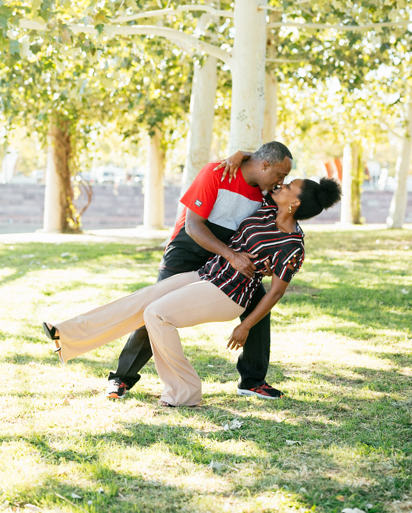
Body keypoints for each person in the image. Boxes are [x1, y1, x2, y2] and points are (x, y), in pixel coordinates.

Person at [42, 177, 341, 407]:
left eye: (289, 186)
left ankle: (185, 391)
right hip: (205, 275)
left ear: (295, 205)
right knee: (142, 301)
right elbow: (254, 171)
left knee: (156, 314)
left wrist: (246, 326)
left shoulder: (292, 245)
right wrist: (237, 158)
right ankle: (66, 335)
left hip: (229, 294)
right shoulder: (265, 210)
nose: (281, 185)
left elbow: (274, 293)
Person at [105, 141, 294, 401]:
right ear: (264, 165)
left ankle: (252, 381)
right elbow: (194, 227)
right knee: (154, 310)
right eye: (279, 175)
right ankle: (121, 379)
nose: (280, 181)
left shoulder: (265, 192)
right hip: (189, 251)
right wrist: (231, 256)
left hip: (227, 259)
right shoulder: (217, 172)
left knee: (258, 304)